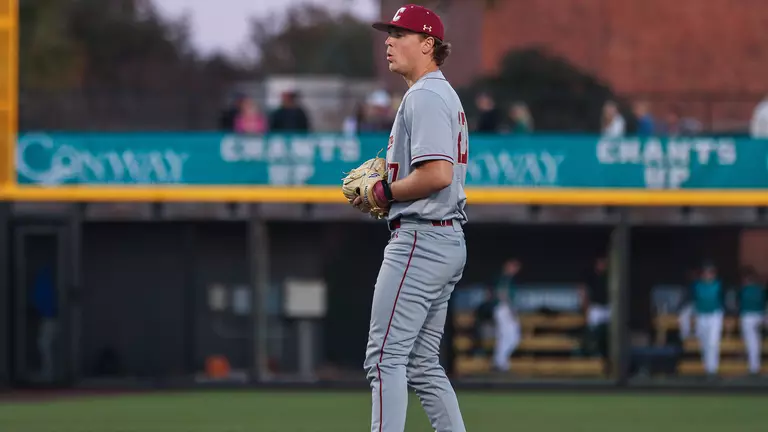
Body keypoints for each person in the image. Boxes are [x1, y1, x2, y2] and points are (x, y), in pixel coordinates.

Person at [356, 4, 468, 432]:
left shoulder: (423, 96)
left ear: (427, 44)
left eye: (400, 34)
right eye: (389, 33)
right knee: (421, 364)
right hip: (444, 238)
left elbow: (437, 175)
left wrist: (385, 191)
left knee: (384, 359)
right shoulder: (442, 93)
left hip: (421, 238)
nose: (389, 41)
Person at [691, 262, 724, 379]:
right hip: (701, 315)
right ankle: (707, 368)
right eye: (706, 272)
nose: (708, 275)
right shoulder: (697, 285)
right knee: (704, 344)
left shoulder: (718, 285)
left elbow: (723, 300)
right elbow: (692, 299)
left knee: (713, 343)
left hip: (715, 315)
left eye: (711, 272)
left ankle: (712, 370)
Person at [492, 259, 522, 372]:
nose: (515, 269)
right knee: (507, 336)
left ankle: (500, 361)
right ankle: (500, 362)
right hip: (503, 308)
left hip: (505, 308)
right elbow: (501, 294)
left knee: (512, 337)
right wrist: (510, 308)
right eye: (513, 266)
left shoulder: (508, 279)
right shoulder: (504, 278)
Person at [737, 266, 766, 375]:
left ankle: (754, 368)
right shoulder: (742, 290)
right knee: (752, 343)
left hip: (760, 316)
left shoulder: (761, 289)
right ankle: (754, 368)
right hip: (748, 316)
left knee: (754, 343)